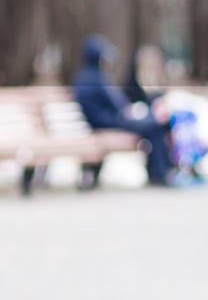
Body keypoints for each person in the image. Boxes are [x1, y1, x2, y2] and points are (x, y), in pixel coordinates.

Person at [72, 34, 173, 186]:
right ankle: (161, 173)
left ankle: (159, 172)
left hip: (99, 122)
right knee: (154, 125)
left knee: (152, 125)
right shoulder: (97, 78)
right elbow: (119, 104)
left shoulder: (81, 77)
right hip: (108, 122)